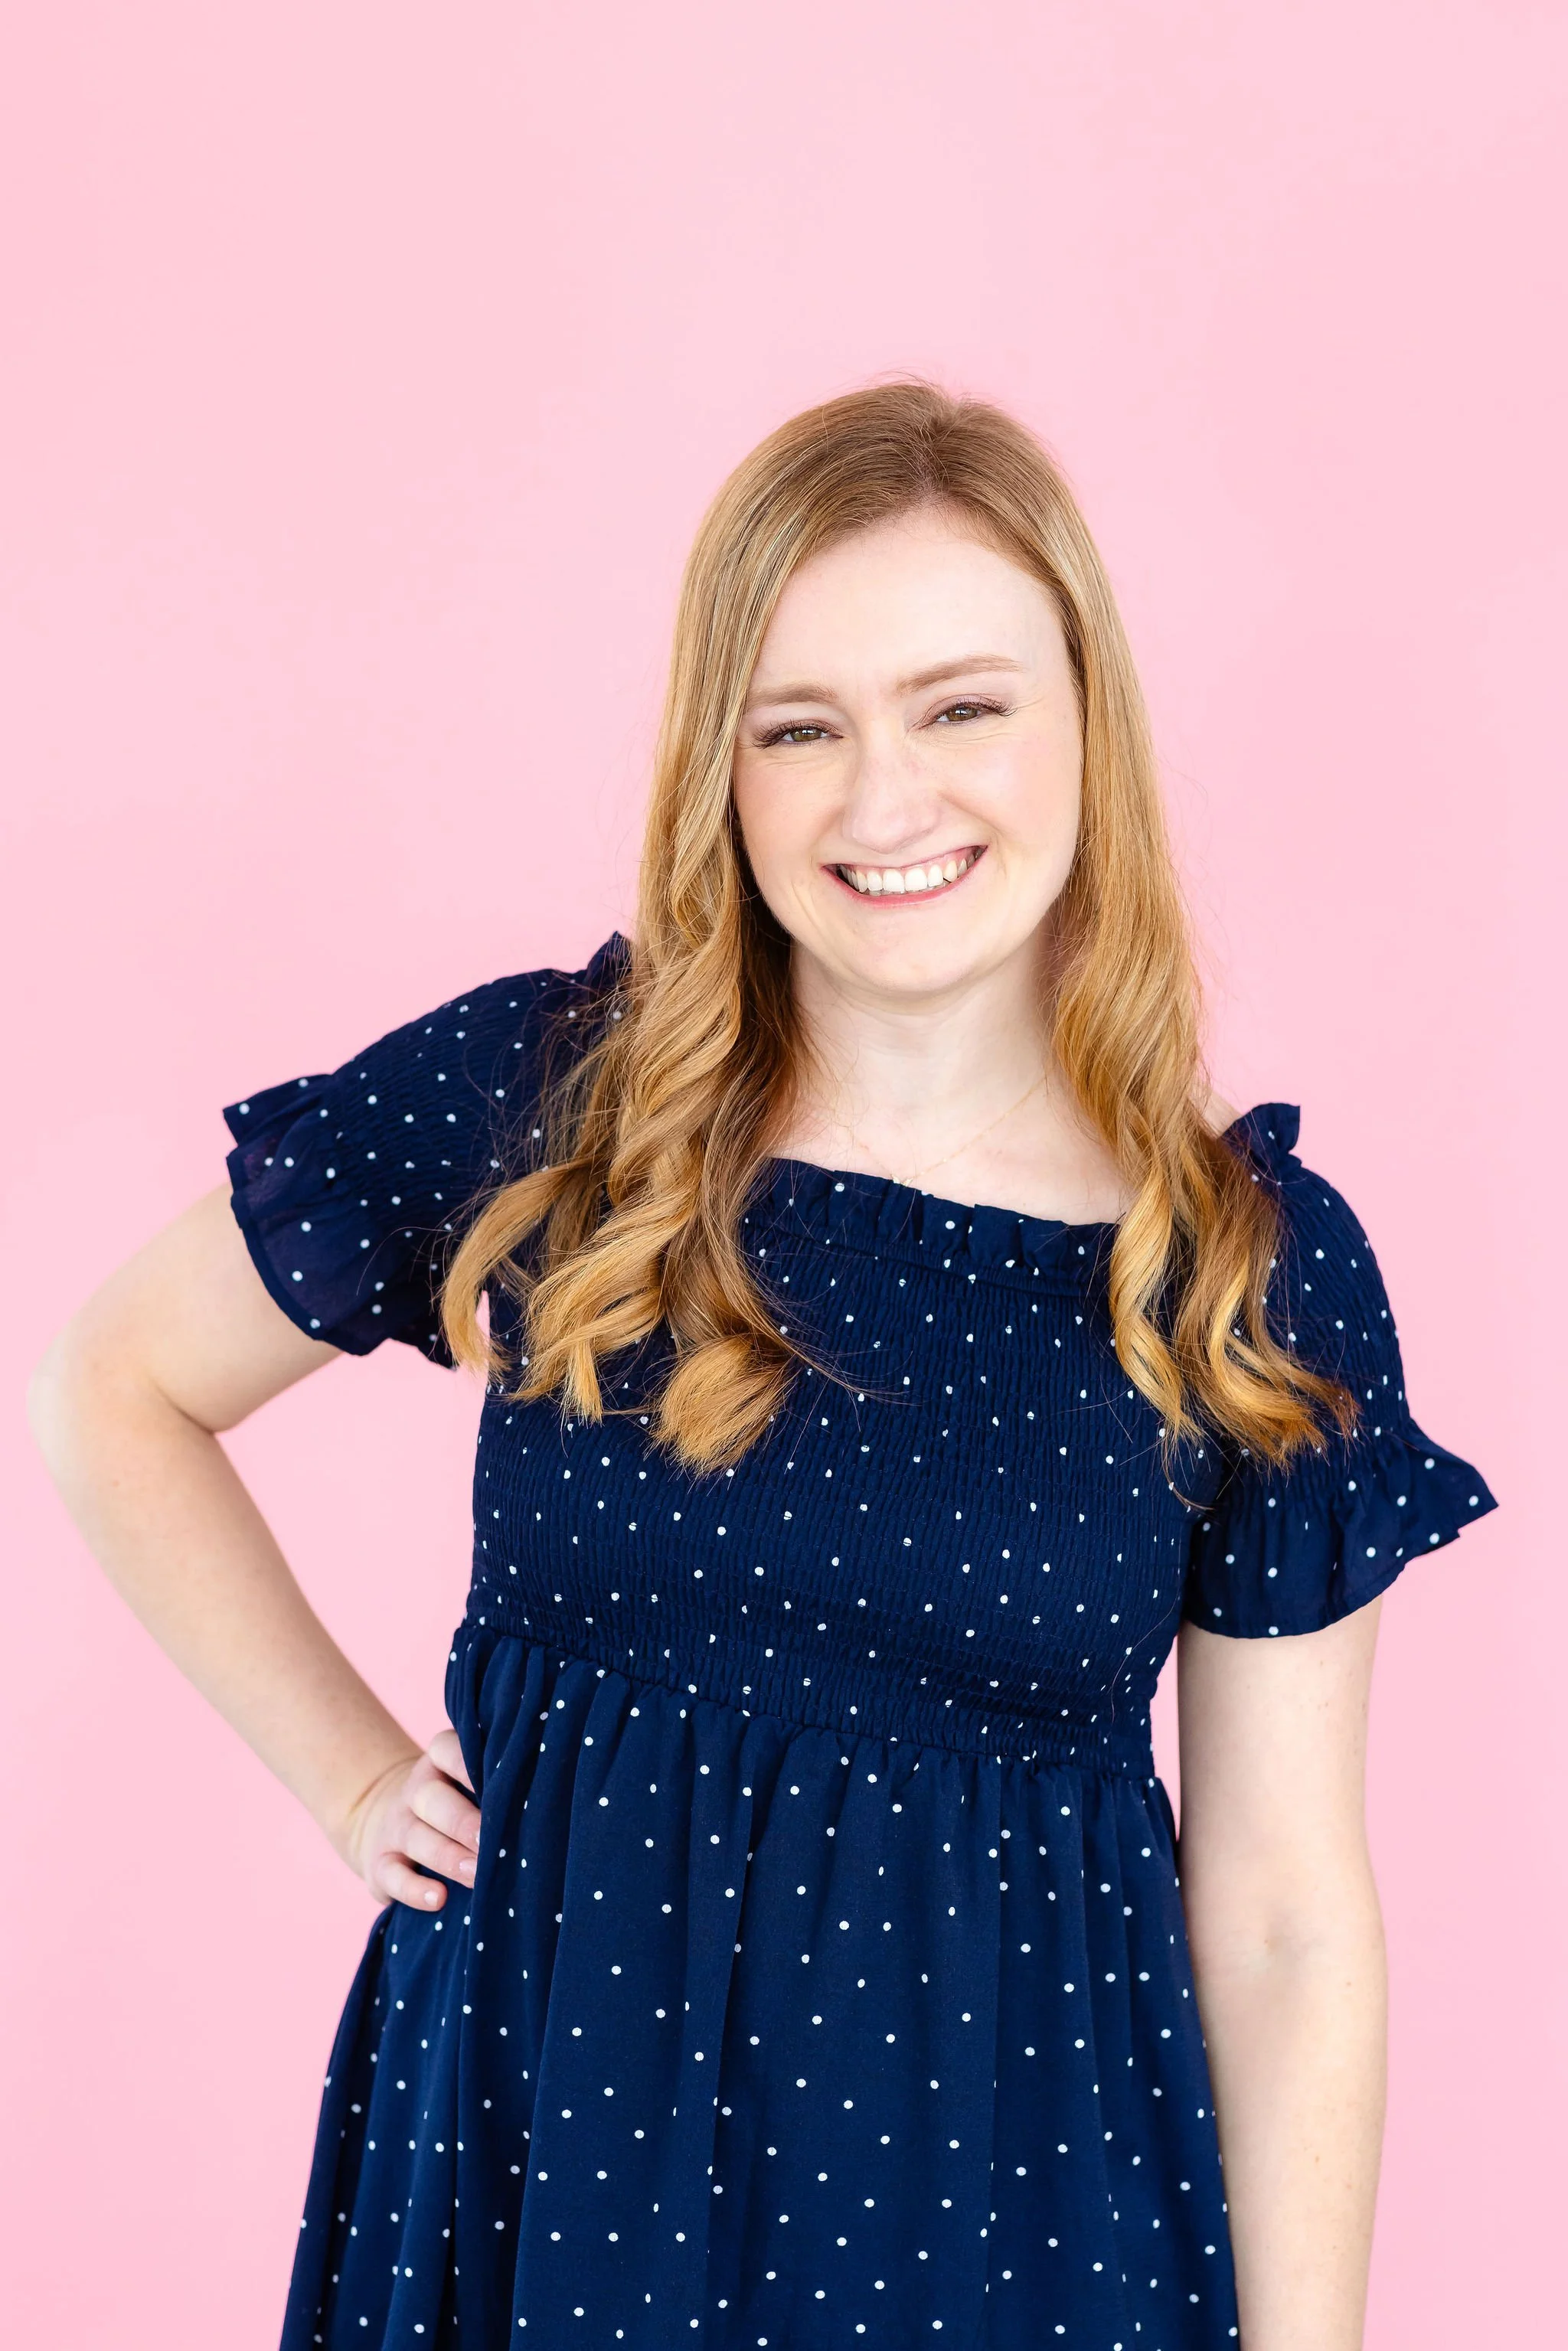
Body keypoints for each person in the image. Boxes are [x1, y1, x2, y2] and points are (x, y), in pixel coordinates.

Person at [30, 382, 1494, 2351]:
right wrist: (349, 1768)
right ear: (719, 766)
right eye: (799, 727)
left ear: (1087, 724)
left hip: (1017, 2226)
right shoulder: (551, 1101)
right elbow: (121, 1380)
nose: (882, 802)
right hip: (538, 2174)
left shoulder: (1242, 1267)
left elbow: (1292, 1922)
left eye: (960, 706)